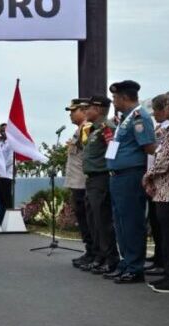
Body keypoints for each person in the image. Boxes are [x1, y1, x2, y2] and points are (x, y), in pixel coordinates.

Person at [104, 80, 156, 284]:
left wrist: (149, 175)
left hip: (131, 175)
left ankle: (135, 267)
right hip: (117, 176)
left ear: (125, 97)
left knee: (132, 222)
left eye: (115, 98)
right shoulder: (124, 119)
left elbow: (150, 148)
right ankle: (126, 262)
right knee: (121, 222)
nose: (114, 102)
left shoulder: (139, 117)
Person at [79, 96, 120, 275]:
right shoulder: (94, 129)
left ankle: (110, 259)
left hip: (101, 178)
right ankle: (99, 256)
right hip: (92, 179)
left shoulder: (106, 128)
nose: (86, 111)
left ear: (98, 109)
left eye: (89, 108)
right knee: (94, 220)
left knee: (102, 220)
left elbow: (112, 152)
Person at [144, 90, 169, 293]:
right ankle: (168, 271)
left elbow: (166, 158)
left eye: (168, 104)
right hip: (165, 189)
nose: (166, 108)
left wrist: (149, 175)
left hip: (168, 189)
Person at [64, 98, 95, 268]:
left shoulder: (87, 128)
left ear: (83, 110)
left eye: (73, 111)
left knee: (87, 218)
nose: (70, 114)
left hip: (83, 182)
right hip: (77, 181)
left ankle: (92, 251)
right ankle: (90, 250)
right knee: (83, 218)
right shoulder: (80, 129)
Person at [0, 123, 14, 222]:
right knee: (0, 199)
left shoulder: (11, 143)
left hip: (6, 175)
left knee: (7, 200)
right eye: (1, 131)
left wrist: (0, 169)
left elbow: (10, 160)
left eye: (5, 130)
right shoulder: (1, 143)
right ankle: (2, 220)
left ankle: (9, 221)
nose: (3, 132)